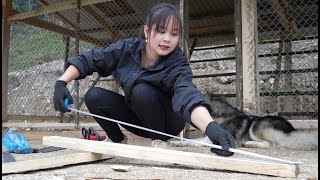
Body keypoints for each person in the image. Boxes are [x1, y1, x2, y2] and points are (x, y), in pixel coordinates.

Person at [53, 3, 236, 156]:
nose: (167, 39)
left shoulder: (177, 63)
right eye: (161, 31)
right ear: (147, 31)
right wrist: (61, 82)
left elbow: (187, 94)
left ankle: (159, 142)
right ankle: (117, 140)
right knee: (93, 96)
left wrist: (211, 128)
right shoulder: (127, 49)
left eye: (174, 34)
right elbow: (91, 59)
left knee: (142, 90)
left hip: (166, 125)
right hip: (139, 120)